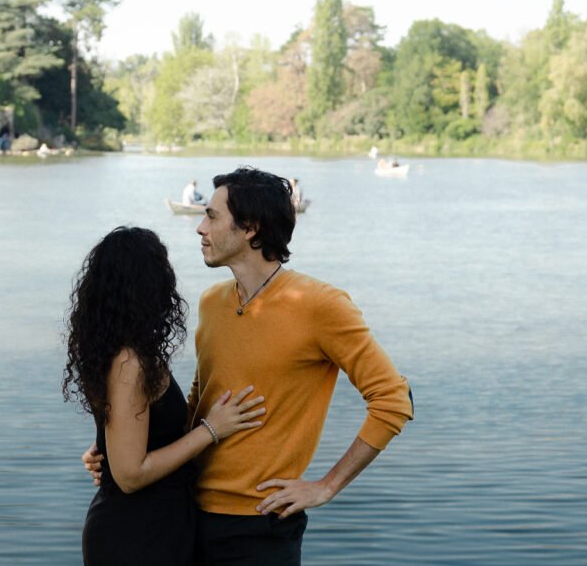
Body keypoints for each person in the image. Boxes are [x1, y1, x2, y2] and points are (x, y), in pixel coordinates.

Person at [85, 167, 413, 565]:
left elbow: (393, 400)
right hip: (183, 518)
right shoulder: (212, 303)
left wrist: (326, 487)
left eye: (212, 216)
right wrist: (123, 443)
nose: (200, 228)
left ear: (250, 229)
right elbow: (200, 402)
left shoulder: (320, 306)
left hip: (260, 527)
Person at [65, 226, 266, 566]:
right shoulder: (129, 363)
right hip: (136, 535)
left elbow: (133, 437)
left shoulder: (126, 353)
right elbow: (130, 476)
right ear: (147, 284)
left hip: (158, 525)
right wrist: (211, 430)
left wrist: (107, 449)